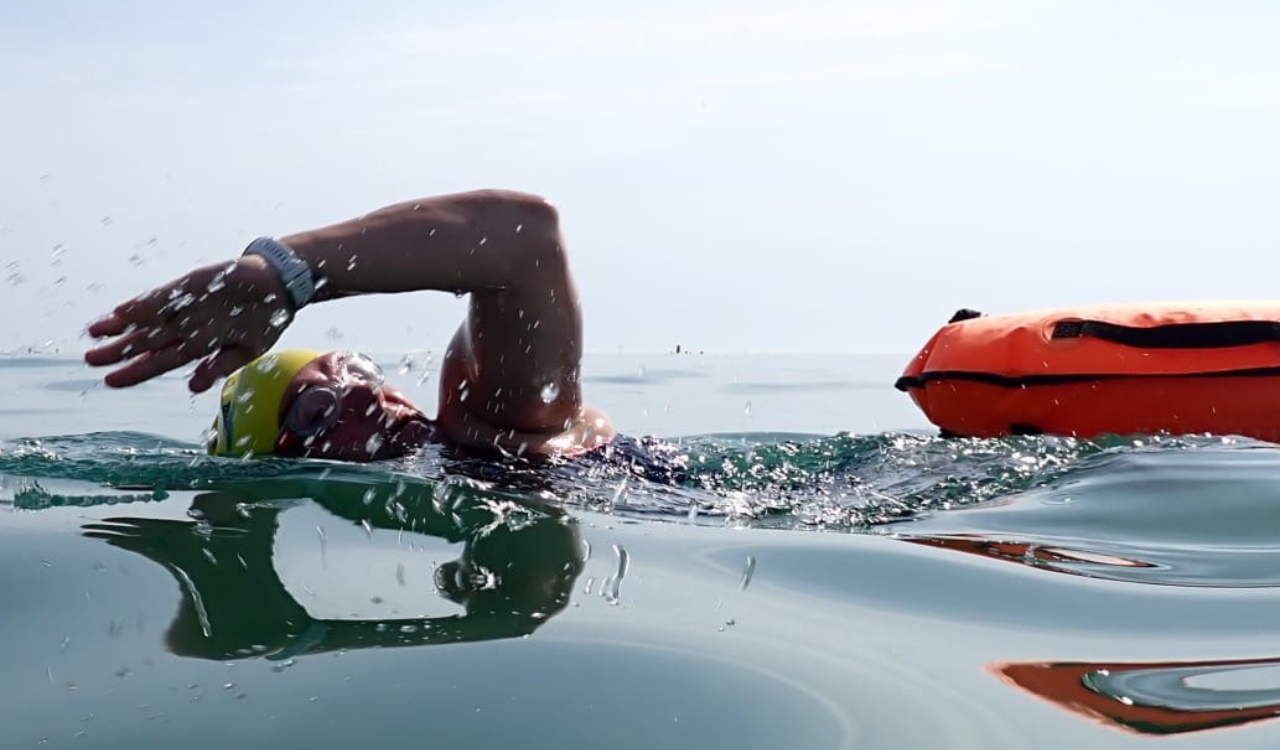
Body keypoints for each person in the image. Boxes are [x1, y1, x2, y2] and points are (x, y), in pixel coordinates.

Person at [84, 190, 615, 461]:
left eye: (356, 370)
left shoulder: (485, 420)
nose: (365, 395)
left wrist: (290, 274)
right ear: (288, 455)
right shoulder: (485, 453)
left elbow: (524, 236)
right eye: (321, 410)